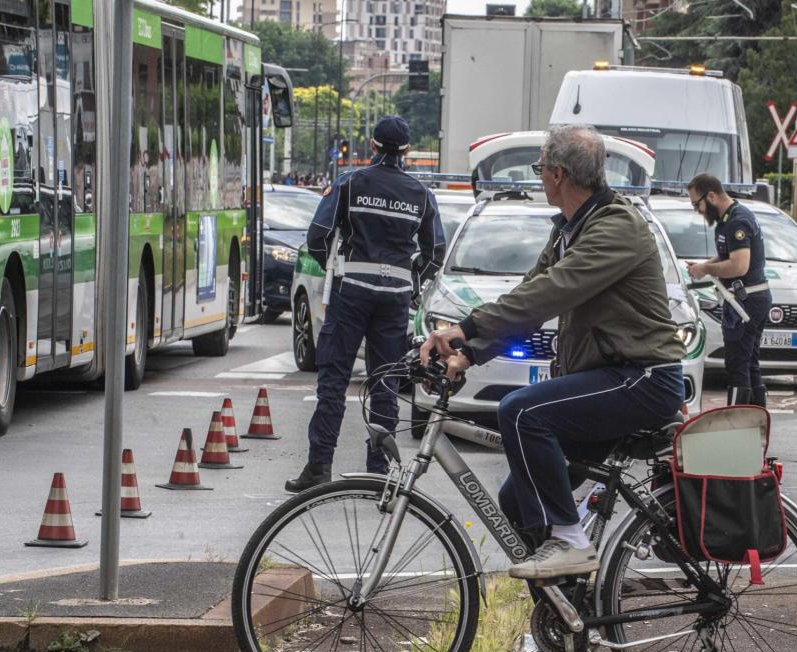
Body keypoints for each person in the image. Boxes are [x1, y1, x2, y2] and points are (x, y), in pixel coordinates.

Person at [420, 124, 686, 583]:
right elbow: (528, 295)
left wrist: (464, 329)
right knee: (515, 502)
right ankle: (570, 616)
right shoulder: (571, 228)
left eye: (540, 168)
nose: (539, 175)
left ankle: (570, 542)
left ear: (558, 173)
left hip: (643, 378)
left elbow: (551, 292)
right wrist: (471, 353)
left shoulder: (616, 227)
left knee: (522, 413)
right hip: (613, 378)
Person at [285, 115, 443, 491]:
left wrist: (333, 267)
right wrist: (413, 279)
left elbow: (318, 234)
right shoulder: (420, 194)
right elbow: (434, 250)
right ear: (406, 151)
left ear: (372, 146)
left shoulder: (351, 182)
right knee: (385, 383)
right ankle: (379, 472)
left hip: (351, 290)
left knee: (334, 380)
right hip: (395, 298)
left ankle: (319, 467)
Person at [685, 173, 772, 407]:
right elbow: (727, 256)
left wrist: (707, 269)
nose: (697, 210)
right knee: (750, 362)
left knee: (737, 365)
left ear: (711, 196)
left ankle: (737, 421)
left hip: (746, 301)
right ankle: (756, 420)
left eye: (697, 204)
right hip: (751, 299)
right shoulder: (729, 219)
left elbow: (739, 265)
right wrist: (703, 266)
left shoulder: (737, 222)